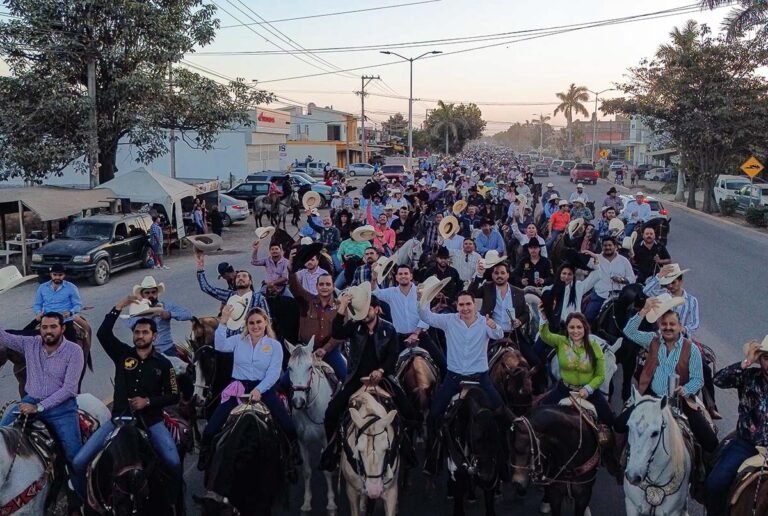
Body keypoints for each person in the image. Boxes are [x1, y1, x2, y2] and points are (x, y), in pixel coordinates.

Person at [74, 299, 181, 500]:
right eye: (137, 332)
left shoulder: (164, 364)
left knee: (173, 461)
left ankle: (174, 503)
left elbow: (174, 396)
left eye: (145, 332)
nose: (140, 336)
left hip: (151, 421)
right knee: (79, 462)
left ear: (154, 336)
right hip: (118, 421)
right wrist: (118, 307)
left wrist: (148, 402)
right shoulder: (122, 354)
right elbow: (102, 334)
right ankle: (83, 504)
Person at [320, 294, 416, 471]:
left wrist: (381, 370)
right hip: (357, 378)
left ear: (377, 309)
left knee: (408, 410)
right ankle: (333, 450)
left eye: (368, 309)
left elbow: (393, 355)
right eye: (360, 310)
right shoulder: (355, 326)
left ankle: (406, 449)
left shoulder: (389, 329)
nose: (364, 313)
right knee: (332, 412)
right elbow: (336, 332)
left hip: (383, 377)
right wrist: (342, 308)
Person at [419, 291, 510, 476]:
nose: (465, 308)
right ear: (457, 306)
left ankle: (504, 461)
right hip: (454, 378)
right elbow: (425, 316)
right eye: (461, 305)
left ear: (474, 305)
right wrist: (423, 297)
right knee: (434, 414)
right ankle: (431, 460)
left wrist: (494, 325)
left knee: (502, 413)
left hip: (481, 378)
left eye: (468, 304)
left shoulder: (484, 322)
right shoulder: (449, 320)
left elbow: (498, 333)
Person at [199, 307, 300, 471]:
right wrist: (223, 321)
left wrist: (259, 390)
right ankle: (206, 456)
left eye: (259, 322)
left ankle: (293, 456)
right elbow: (220, 345)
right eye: (251, 323)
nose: (255, 326)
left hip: (264, 388)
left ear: (265, 323)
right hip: (238, 387)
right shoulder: (238, 340)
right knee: (212, 426)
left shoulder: (274, 345)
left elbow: (274, 373)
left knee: (287, 424)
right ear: (247, 324)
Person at [618, 298, 718, 452]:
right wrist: (643, 312)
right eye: (664, 324)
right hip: (651, 397)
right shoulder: (652, 340)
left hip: (680, 401)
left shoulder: (691, 349)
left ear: (680, 327)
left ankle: (700, 471)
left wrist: (685, 389)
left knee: (710, 442)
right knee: (619, 426)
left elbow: (698, 379)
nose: (668, 328)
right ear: (659, 326)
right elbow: (628, 332)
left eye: (672, 324)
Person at [0, 312, 84, 495]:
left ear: (62, 329)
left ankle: (81, 499)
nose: (48, 331)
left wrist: (39, 407)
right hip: (31, 400)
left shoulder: (74, 351)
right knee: (1, 434)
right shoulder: (30, 344)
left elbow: (69, 389)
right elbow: (4, 337)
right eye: (44, 327)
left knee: (75, 457)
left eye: (53, 327)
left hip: (61, 408)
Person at [704, 338, 768, 516]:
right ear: (760, 359)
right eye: (766, 358)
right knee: (715, 483)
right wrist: (747, 362)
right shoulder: (749, 376)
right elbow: (719, 380)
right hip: (747, 445)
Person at [537, 311, 614, 439]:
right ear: (567, 329)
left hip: (589, 393)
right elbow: (545, 335)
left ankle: (612, 457)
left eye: (579, 327)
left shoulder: (594, 346)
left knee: (610, 421)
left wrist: (588, 389)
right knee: (540, 412)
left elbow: (600, 376)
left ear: (585, 328)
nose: (575, 331)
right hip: (564, 389)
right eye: (571, 327)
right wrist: (544, 319)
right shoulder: (561, 342)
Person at [372, 264, 447, 375]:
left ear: (411, 276)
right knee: (386, 369)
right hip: (399, 337)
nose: (403, 276)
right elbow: (375, 292)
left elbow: (426, 316)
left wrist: (416, 334)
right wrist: (373, 279)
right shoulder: (391, 293)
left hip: (421, 336)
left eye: (406, 273)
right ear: (396, 277)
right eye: (400, 274)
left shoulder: (421, 291)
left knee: (442, 364)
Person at [287, 269, 347, 380]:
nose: (324, 287)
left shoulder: (340, 307)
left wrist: (325, 349)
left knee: (345, 377)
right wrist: (291, 269)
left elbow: (340, 334)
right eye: (321, 284)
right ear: (316, 286)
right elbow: (295, 287)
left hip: (329, 351)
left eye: (328, 284)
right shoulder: (307, 300)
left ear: (333, 286)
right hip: (305, 351)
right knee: (285, 381)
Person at [196, 251, 269, 331]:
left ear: (250, 281)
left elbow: (267, 321)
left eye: (244, 276)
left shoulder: (258, 299)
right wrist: (200, 269)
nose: (240, 278)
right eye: (238, 277)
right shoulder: (230, 294)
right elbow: (208, 288)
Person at [127, 276, 193, 357]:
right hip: (146, 350)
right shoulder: (137, 309)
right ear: (142, 294)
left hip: (167, 348)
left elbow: (188, 314)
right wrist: (150, 314)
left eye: (153, 292)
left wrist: (170, 314)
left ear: (157, 293)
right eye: (147, 293)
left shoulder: (165, 306)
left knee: (188, 365)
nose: (151, 295)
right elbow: (131, 324)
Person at [581, 238, 636, 322]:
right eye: (605, 245)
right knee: (588, 317)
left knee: (630, 319)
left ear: (615, 247)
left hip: (619, 297)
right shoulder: (596, 258)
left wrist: (621, 279)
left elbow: (632, 279)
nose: (607, 247)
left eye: (610, 245)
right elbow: (583, 259)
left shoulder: (624, 261)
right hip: (600, 295)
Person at [29, 263, 82, 343]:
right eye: (55, 275)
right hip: (46, 318)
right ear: (51, 274)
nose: (57, 277)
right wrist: (38, 312)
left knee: (73, 343)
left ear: (64, 275)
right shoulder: (42, 287)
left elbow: (78, 304)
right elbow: (37, 304)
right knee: (24, 332)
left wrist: (71, 312)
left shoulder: (71, 287)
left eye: (60, 275)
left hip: (64, 320)